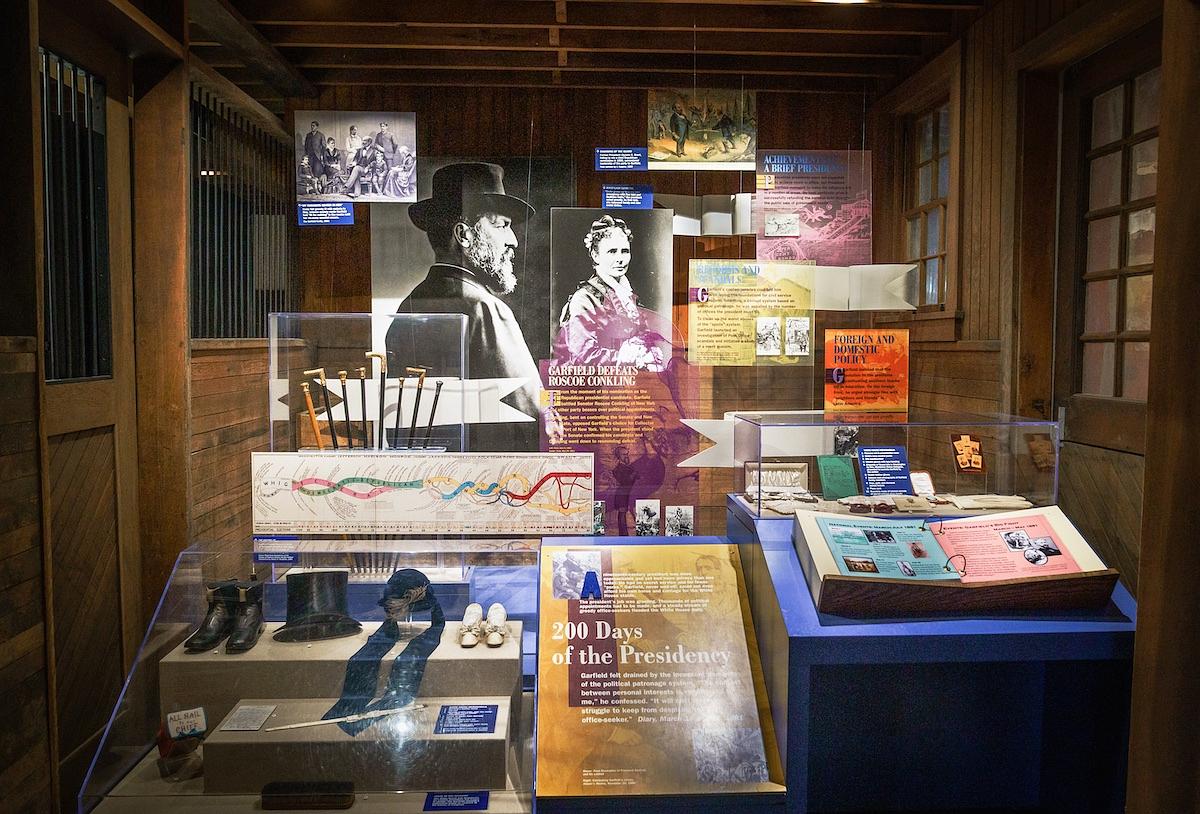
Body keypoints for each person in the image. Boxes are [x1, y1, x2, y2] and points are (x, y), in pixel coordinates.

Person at [387, 162, 541, 451]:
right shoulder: (485, 309)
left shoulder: (409, 305)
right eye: (502, 225)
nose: (513, 241)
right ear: (464, 235)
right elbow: (533, 418)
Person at [552, 214, 670, 371]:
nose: (620, 259)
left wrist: (650, 352)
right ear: (595, 255)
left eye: (625, 251)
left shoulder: (627, 295)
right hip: (594, 383)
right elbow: (583, 357)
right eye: (612, 251)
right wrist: (633, 358)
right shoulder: (584, 298)